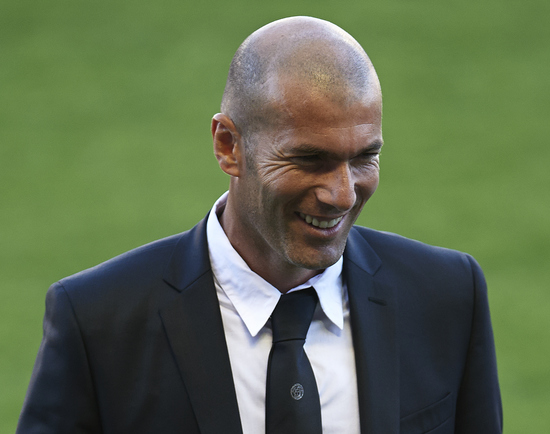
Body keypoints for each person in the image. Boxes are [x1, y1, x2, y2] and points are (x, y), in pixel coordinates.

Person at [17, 16, 502, 434]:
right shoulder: (97, 323)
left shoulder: (448, 296)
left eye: (364, 158)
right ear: (229, 146)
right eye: (309, 159)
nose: (342, 194)